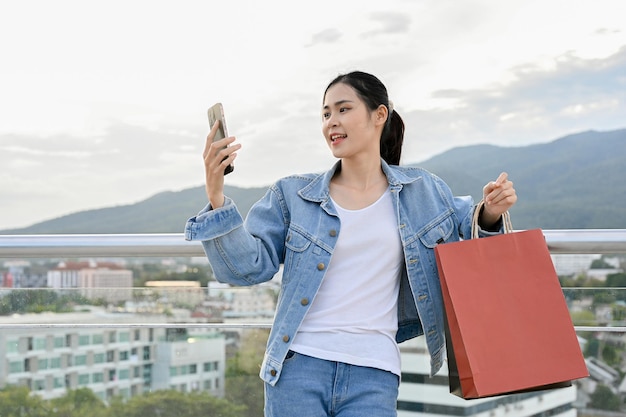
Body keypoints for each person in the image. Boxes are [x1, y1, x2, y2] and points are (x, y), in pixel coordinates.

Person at [185, 71, 517, 417]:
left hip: (374, 373)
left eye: (343, 109)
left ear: (379, 115)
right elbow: (247, 268)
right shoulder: (293, 195)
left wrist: (491, 211)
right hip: (298, 368)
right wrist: (217, 196)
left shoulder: (424, 191)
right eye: (326, 114)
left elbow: (473, 229)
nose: (332, 122)